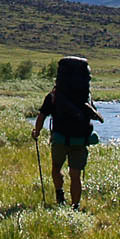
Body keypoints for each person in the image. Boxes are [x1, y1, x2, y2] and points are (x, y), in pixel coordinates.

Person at [33, 55, 103, 209]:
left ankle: (60, 195)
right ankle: (75, 206)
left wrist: (36, 132)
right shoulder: (86, 97)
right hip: (80, 139)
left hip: (60, 139)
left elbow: (42, 116)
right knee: (76, 174)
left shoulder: (54, 96)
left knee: (56, 168)